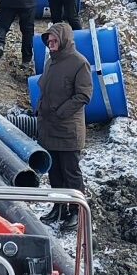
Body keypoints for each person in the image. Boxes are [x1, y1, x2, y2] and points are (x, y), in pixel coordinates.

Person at [36, 22, 93, 230]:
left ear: (64, 40)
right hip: (49, 127)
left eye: (54, 41)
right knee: (55, 172)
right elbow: (45, 88)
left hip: (68, 130)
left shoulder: (79, 63)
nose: (50, 45)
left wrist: (61, 112)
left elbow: (83, 95)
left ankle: (76, 211)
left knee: (71, 173)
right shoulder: (51, 62)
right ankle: (59, 207)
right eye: (48, 41)